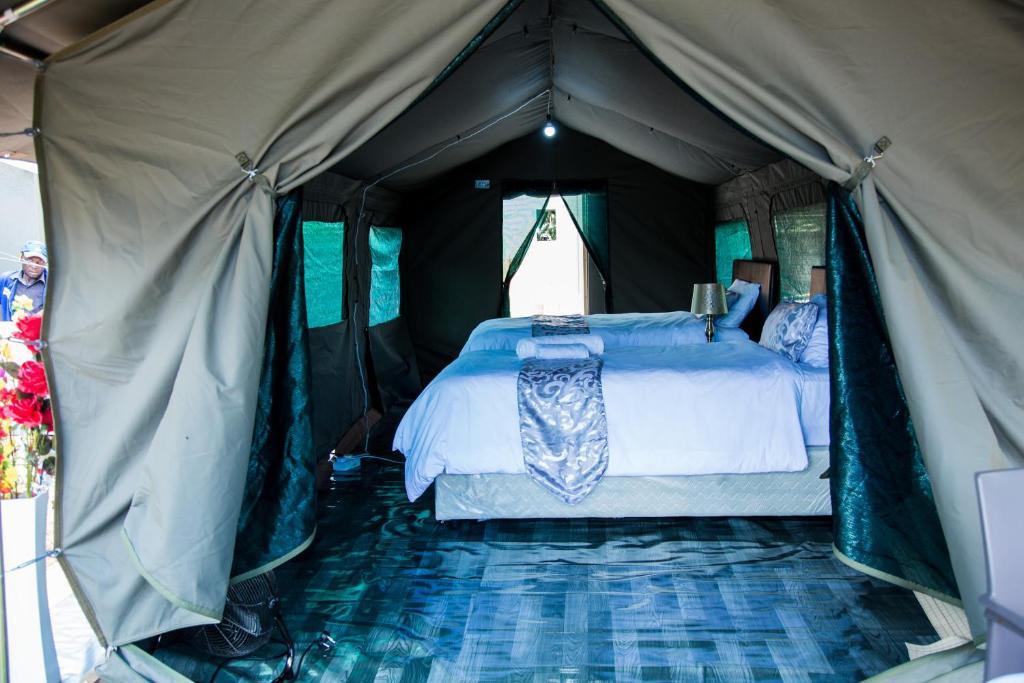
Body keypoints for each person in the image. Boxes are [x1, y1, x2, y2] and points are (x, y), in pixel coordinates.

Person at [1, 240, 47, 321]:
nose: (34, 266)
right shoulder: (6, 279)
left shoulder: (52, 284)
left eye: (39, 262)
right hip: (12, 328)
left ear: (45, 263)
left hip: (39, 329)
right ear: (21, 258)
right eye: (30, 260)